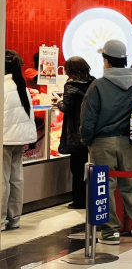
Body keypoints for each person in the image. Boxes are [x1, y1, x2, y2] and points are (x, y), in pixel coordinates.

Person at [79, 40, 132, 245]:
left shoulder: (98, 85)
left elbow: (88, 118)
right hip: (129, 141)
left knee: (104, 186)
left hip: (102, 142)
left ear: (106, 60)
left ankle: (110, 232)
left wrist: (86, 140)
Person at [52, 56, 95, 210]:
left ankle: (79, 200)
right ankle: (90, 197)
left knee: (76, 168)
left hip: (75, 132)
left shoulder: (70, 85)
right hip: (92, 130)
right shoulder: (94, 82)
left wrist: (58, 102)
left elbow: (67, 107)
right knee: (89, 165)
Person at [2, 51, 36, 231]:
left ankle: (0, 220)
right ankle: (14, 219)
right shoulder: (20, 84)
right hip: (19, 138)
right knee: (16, 178)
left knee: (2, 180)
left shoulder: (3, 86)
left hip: (5, 139)